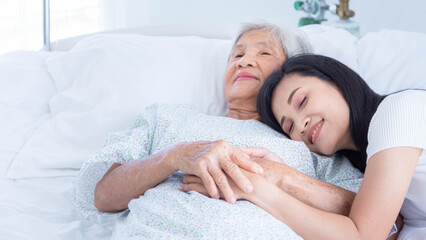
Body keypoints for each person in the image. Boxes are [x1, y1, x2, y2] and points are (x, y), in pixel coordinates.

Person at [72, 23, 363, 238]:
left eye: (264, 52)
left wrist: (282, 178)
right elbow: (98, 193)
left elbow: (382, 223)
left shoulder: (308, 140)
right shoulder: (165, 118)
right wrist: (174, 157)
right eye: (236, 55)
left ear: (295, 69)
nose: (244, 61)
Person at [185, 54, 424, 239]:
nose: (300, 125)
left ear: (336, 81)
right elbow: (393, 224)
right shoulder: (364, 164)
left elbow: (363, 235)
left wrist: (256, 189)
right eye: (288, 127)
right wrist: (284, 176)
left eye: (301, 101)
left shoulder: (398, 111)